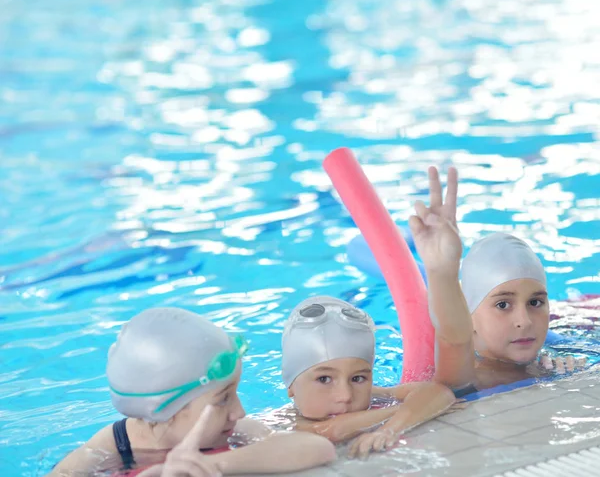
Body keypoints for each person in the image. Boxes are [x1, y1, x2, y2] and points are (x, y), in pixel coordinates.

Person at [50, 308, 336, 476]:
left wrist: (211, 464)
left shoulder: (233, 430)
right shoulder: (114, 446)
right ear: (165, 410)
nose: (239, 411)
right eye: (223, 398)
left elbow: (318, 449)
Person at [409, 166, 584, 394]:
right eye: (502, 305)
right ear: (468, 315)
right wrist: (441, 271)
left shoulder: (554, 362)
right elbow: (454, 339)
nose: (525, 321)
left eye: (535, 302)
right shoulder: (469, 378)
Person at [277, 296, 455, 459]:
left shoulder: (374, 394)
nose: (345, 395)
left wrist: (388, 430)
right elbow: (330, 431)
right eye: (324, 379)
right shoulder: (283, 424)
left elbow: (439, 392)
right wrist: (407, 409)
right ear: (291, 385)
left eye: (357, 379)